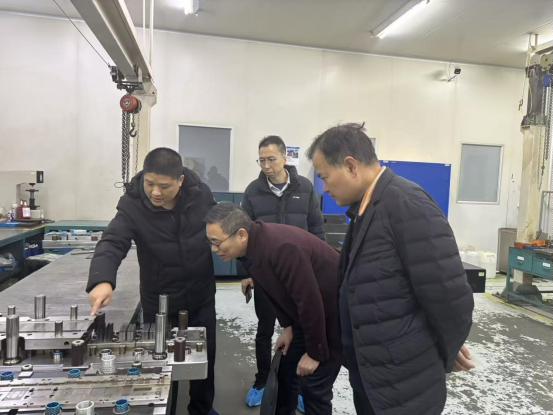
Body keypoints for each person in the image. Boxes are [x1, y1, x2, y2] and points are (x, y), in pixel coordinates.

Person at [307, 123, 475, 415]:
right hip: (376, 380)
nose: (324, 188)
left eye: (325, 177)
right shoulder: (366, 209)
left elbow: (450, 297)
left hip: (405, 387)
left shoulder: (407, 204)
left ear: (351, 166)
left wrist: (443, 354)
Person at [86, 147, 218, 415]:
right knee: (161, 363)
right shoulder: (132, 205)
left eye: (164, 186)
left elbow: (222, 226)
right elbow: (113, 241)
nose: (155, 192)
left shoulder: (201, 195)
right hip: (160, 302)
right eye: (150, 183)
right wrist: (102, 279)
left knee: (205, 359)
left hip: (200, 295)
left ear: (180, 181)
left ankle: (201, 409)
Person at [205, 203, 341, 415]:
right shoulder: (252, 250)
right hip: (308, 318)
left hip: (335, 317)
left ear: (241, 235)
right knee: (286, 373)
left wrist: (315, 354)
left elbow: (309, 301)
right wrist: (288, 327)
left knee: (314, 387)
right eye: (210, 242)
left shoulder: (282, 249)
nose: (214, 249)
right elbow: (276, 292)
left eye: (216, 242)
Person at [240, 135, 324, 409]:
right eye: (261, 160)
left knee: (300, 330)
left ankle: (297, 387)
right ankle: (262, 381)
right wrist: (247, 272)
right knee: (265, 330)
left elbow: (316, 228)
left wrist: (317, 269)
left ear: (285, 157)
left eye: (271, 159)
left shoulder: (305, 188)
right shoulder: (253, 191)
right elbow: (243, 235)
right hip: (266, 275)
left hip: (299, 275)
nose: (266, 165)